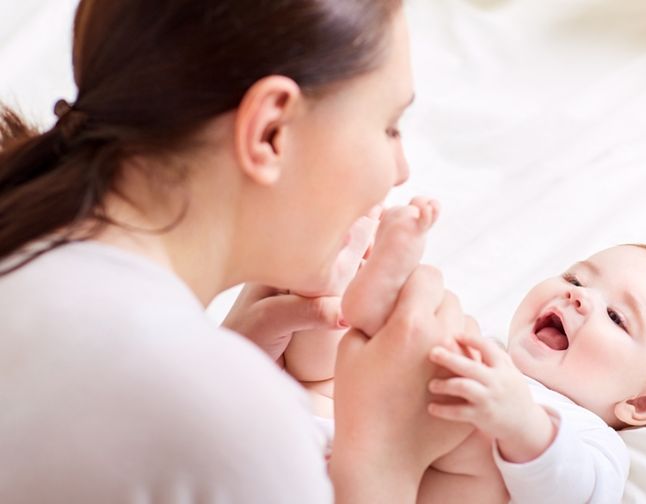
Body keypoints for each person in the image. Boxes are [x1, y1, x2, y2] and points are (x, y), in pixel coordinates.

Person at [0, 0, 475, 502]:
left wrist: (222, 360)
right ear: (270, 131)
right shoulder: (231, 418)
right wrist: (385, 460)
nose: (400, 171)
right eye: (390, 127)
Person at [320, 202, 646, 503]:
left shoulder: (589, 437)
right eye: (576, 277)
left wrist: (519, 422)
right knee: (433, 330)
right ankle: (374, 298)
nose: (579, 296)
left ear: (640, 403)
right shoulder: (485, 346)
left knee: (473, 432)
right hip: (330, 460)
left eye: (617, 317)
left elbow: (574, 494)